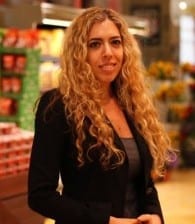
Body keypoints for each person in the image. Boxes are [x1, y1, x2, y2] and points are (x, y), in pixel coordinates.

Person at [28, 6, 175, 224]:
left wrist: (155, 215)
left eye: (115, 42)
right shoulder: (58, 106)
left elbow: (143, 183)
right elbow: (40, 196)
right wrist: (104, 220)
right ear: (79, 53)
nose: (108, 52)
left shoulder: (132, 103)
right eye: (95, 44)